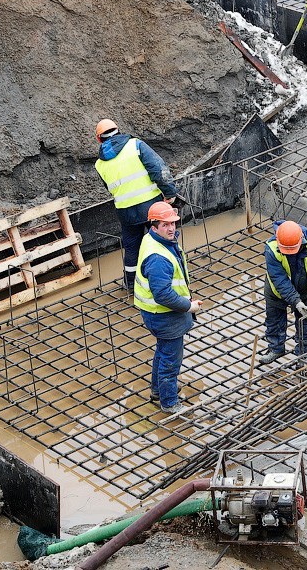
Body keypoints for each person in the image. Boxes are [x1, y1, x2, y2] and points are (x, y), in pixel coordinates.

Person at [94, 118, 180, 290]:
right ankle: (173, 275)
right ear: (118, 131)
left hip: (126, 212)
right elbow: (158, 170)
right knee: (163, 239)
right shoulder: (135, 145)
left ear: (99, 139)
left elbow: (109, 187)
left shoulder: (99, 164)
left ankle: (132, 284)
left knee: (132, 248)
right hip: (151, 206)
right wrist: (170, 193)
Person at [134, 201, 202, 413]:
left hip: (155, 313)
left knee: (163, 352)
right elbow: (163, 294)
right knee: (171, 361)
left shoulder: (154, 240)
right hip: (164, 315)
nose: (171, 228)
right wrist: (188, 307)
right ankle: (170, 402)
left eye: (172, 223)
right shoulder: (158, 258)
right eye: (165, 225)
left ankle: (158, 391)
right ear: (154, 227)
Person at [260, 220, 307, 365]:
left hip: (306, 290)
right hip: (277, 291)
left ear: (301, 240)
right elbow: (279, 280)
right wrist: (295, 301)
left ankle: (303, 355)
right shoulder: (271, 248)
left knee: (306, 324)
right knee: (274, 322)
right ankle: (276, 348)